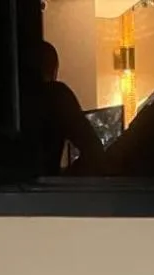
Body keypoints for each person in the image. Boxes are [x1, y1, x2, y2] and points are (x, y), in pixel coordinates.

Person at [40, 40, 103, 175]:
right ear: (54, 71)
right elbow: (94, 151)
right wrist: (64, 180)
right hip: (44, 193)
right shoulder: (56, 95)